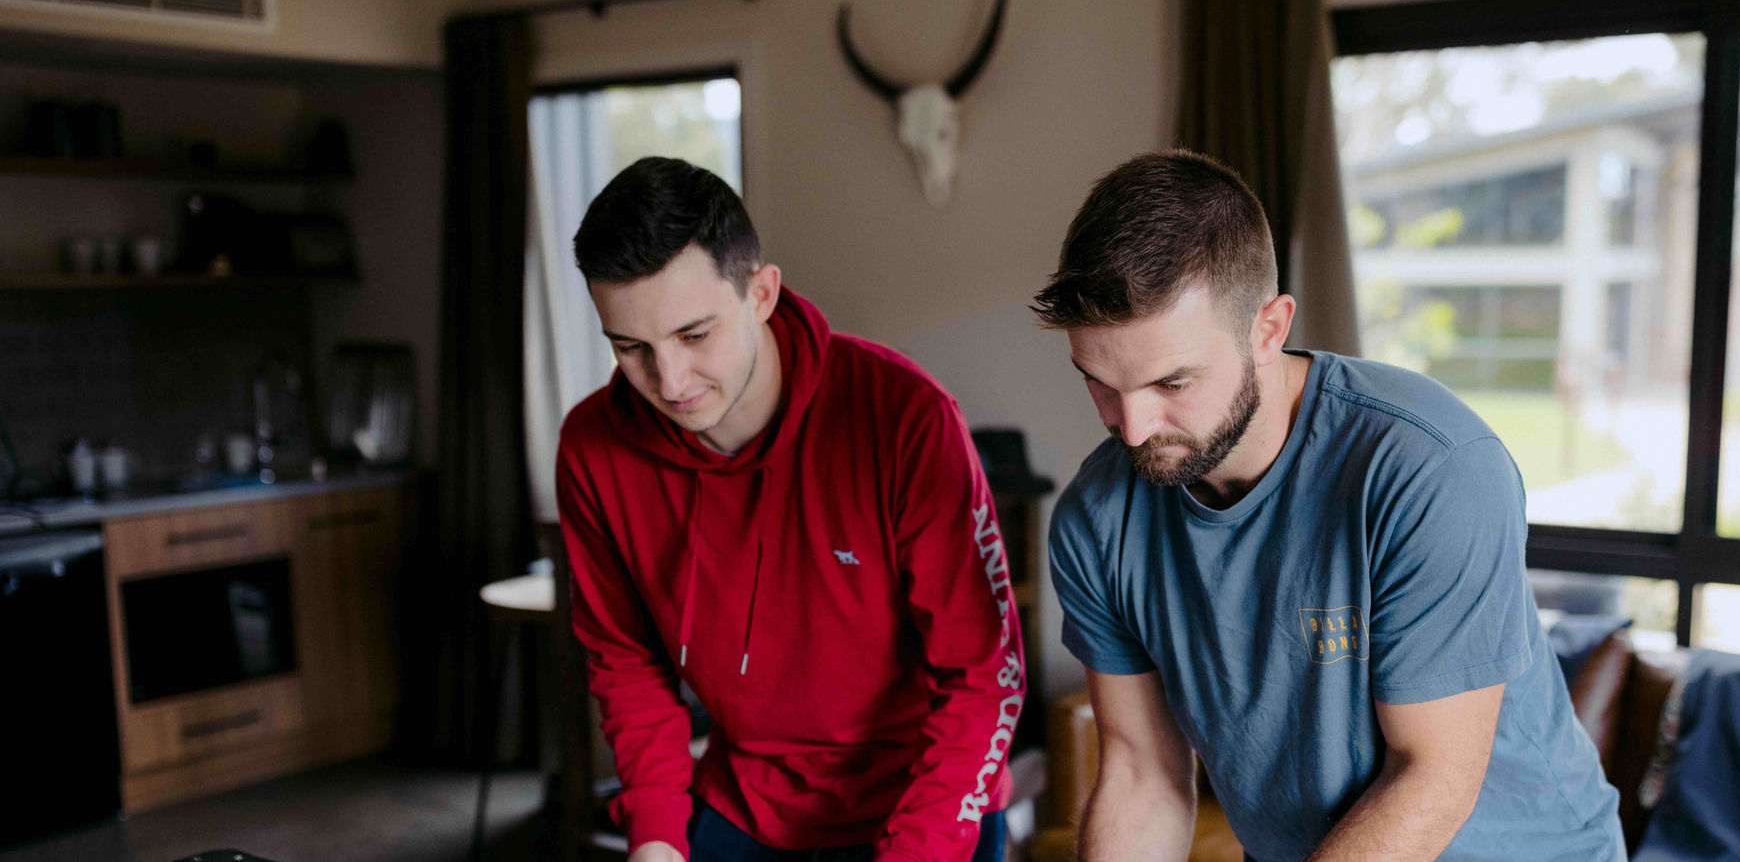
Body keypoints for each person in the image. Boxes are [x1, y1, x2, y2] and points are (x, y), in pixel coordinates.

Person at [1031, 150, 1625, 861]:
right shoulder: (1096, 519)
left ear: (1268, 329)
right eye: (1099, 383)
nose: (1131, 427)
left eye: (1172, 382)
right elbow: (1142, 773)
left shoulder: (1428, 467)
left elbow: (1430, 777)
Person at [557, 157, 1024, 862]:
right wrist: (654, 837)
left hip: (925, 803)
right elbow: (625, 660)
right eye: (631, 347)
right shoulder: (593, 449)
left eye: (694, 335)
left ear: (762, 294)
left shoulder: (905, 418)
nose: (669, 381)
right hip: (746, 805)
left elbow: (985, 675)